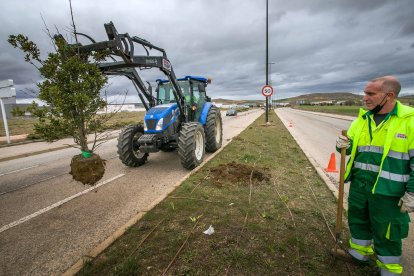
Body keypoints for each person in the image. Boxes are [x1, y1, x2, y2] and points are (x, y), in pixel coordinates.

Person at [336, 76, 414, 275]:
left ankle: (389, 269)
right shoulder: (362, 120)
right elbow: (350, 149)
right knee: (358, 220)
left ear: (389, 96)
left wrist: (412, 193)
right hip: (360, 186)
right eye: (365, 93)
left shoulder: (410, 122)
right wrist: (342, 146)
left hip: (389, 192)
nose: (364, 98)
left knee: (387, 231)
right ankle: (359, 254)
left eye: (370, 93)